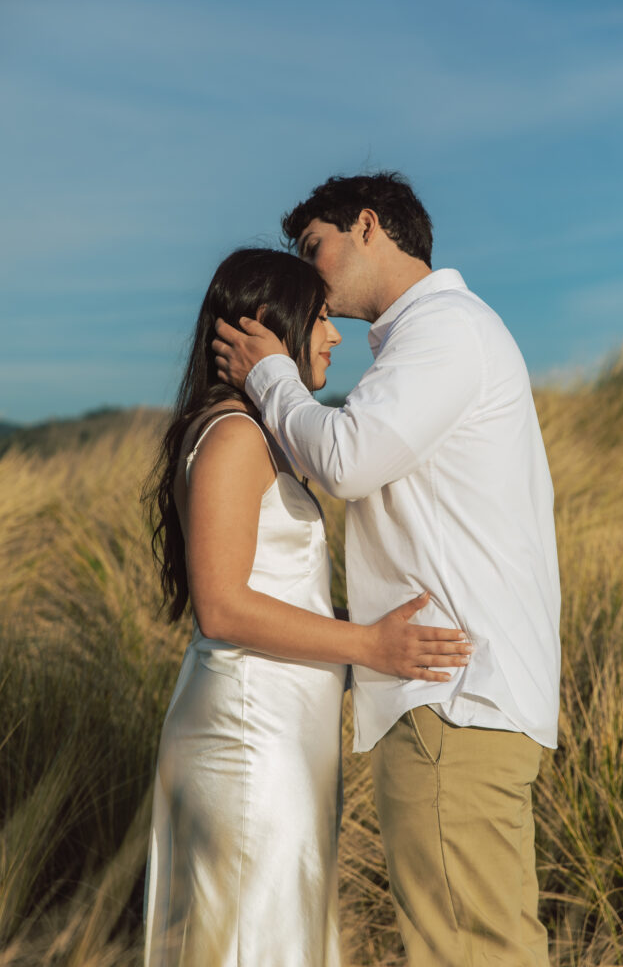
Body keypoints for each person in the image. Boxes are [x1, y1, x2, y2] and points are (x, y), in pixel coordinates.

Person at [212, 174, 562, 967]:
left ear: (366, 226)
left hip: (449, 699)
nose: (312, 280)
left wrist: (266, 372)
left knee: (466, 950)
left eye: (314, 249)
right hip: (460, 699)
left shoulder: (444, 331)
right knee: (492, 943)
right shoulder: (437, 337)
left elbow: (347, 459)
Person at [143, 247, 472, 967]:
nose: (333, 335)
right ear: (268, 328)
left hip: (280, 727)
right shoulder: (233, 436)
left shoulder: (261, 435)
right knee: (251, 940)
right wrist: (370, 647)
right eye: (320, 318)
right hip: (248, 732)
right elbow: (222, 609)